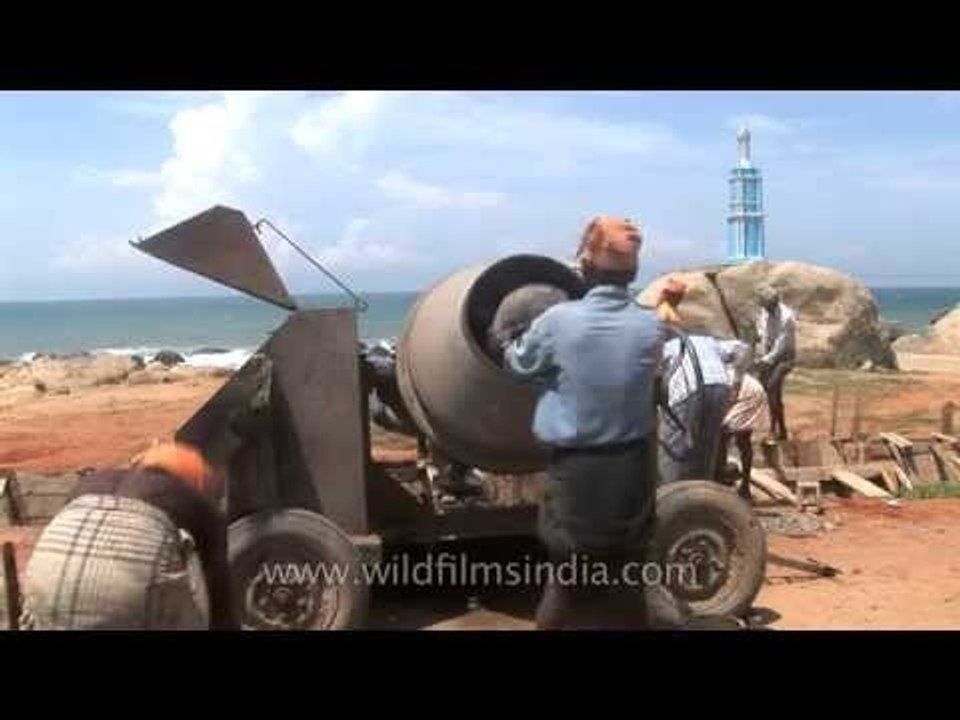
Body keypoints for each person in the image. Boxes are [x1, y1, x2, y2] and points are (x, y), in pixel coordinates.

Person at [501, 215, 664, 630]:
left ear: (586, 267)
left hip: (578, 479)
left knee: (568, 587)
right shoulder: (650, 327)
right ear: (633, 272)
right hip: (634, 476)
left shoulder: (559, 321)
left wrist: (505, 339)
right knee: (626, 587)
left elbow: (520, 364)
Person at [21, 442, 237, 630]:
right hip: (127, 589)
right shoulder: (198, 507)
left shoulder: (92, 482)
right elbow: (219, 602)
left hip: (48, 575)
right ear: (197, 481)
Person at [755, 284, 796, 440]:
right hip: (768, 354)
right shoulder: (764, 312)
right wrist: (760, 352)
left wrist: (766, 360)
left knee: (772, 386)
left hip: (785, 357)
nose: (766, 310)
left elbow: (782, 344)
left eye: (768, 307)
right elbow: (763, 332)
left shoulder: (787, 317)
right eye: (764, 307)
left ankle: (773, 429)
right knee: (771, 393)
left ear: (775, 303)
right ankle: (782, 430)